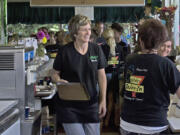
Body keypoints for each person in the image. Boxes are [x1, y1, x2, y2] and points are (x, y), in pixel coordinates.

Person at [120, 19, 180, 135]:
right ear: (161, 42)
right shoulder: (166, 65)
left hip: (127, 123)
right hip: (154, 126)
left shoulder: (130, 60)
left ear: (140, 40)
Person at [51, 14, 107, 135]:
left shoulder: (96, 49)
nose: (88, 33)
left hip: (91, 104)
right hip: (69, 106)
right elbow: (54, 74)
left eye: (89, 29)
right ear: (75, 33)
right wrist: (58, 80)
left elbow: (101, 77)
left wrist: (103, 101)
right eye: (84, 29)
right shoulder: (64, 51)